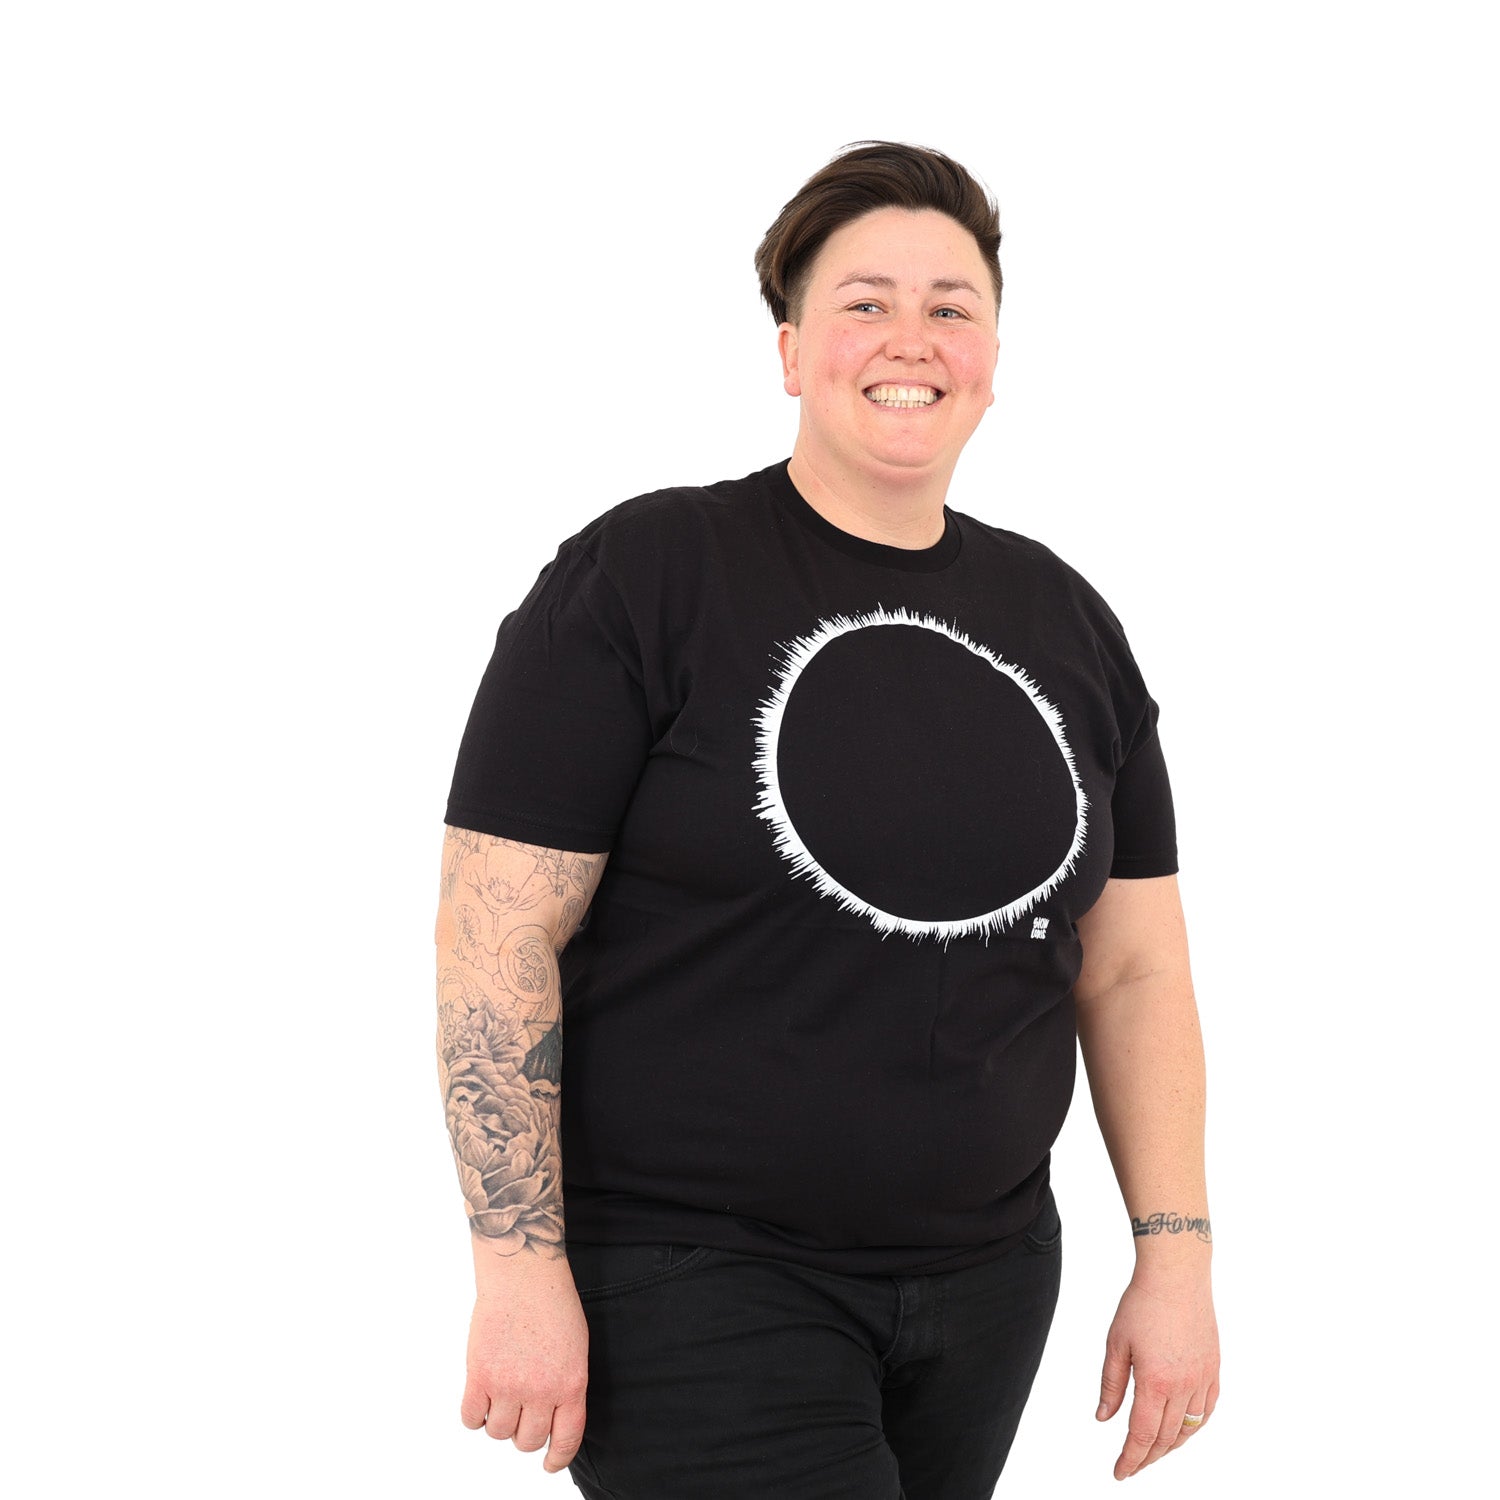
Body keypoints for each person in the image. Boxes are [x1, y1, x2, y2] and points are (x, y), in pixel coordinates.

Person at [436, 140, 1219, 1498]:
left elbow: (1137, 965)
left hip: (986, 1285)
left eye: (950, 306)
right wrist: (516, 1267)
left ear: (992, 354)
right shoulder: (645, 576)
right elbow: (496, 939)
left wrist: (1176, 1255)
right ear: (790, 349)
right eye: (863, 302)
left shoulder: (1068, 621)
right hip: (696, 1276)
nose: (909, 339)